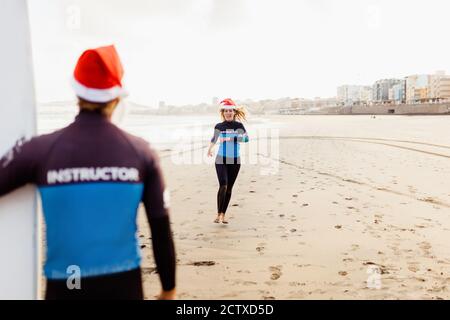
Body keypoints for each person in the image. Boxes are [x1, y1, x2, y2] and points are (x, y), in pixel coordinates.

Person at [0, 45, 176, 300]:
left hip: (65, 285)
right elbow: (160, 227)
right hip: (124, 285)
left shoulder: (41, 150)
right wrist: (168, 290)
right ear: (116, 98)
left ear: (76, 92)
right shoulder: (141, 152)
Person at [207, 98, 249, 224]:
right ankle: (218, 213)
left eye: (230, 111)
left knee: (229, 188)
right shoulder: (219, 126)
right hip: (221, 159)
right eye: (226, 111)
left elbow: (246, 139)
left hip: (235, 160)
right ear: (223, 113)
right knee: (223, 185)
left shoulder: (238, 126)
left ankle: (223, 215)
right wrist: (210, 149)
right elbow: (214, 138)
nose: (228, 113)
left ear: (234, 112)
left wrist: (231, 138)